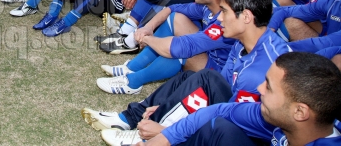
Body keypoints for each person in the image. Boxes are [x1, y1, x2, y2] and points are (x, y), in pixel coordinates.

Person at [86, 0, 291, 146]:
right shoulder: (243, 43)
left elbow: (229, 117)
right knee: (194, 78)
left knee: (209, 90)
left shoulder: (265, 68)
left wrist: (168, 130)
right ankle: (132, 119)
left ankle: (148, 137)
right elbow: (221, 89)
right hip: (233, 114)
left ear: (246, 16)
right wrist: (168, 105)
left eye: (225, 12)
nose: (220, 18)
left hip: (247, 135)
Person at [95, 0, 236, 94]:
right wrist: (148, 28)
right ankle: (132, 67)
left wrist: (146, 39)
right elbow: (172, 8)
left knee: (181, 51)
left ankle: (133, 83)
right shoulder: (208, 7)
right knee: (176, 17)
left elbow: (181, 46)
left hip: (218, 77)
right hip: (208, 58)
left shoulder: (226, 22)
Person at [146, 52, 341, 146]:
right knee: (220, 127)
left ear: (299, 112)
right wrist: (166, 137)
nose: (259, 88)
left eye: (269, 87)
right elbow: (222, 110)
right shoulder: (274, 115)